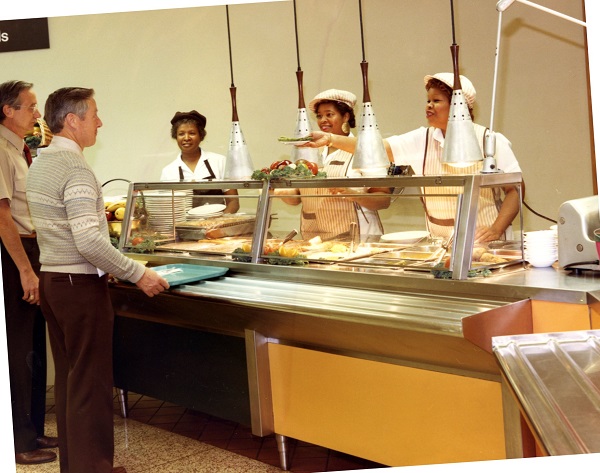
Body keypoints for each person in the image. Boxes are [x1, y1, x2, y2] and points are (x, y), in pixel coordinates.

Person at [26, 87, 170, 473]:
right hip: (79, 287)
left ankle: (78, 467)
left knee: (74, 382)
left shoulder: (40, 163)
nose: (100, 122)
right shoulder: (75, 169)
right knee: (90, 385)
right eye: (94, 115)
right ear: (72, 120)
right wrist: (138, 273)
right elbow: (89, 240)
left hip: (53, 281)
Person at [302, 74, 523, 242]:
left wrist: (495, 230)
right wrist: (330, 139)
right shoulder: (422, 138)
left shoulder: (489, 140)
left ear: (459, 105)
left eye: (436, 101)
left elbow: (516, 189)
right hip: (440, 242)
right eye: (428, 100)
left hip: (483, 242)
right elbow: (378, 149)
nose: (428, 106)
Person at [0, 80, 58, 465]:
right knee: (18, 349)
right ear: (8, 110)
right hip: (13, 252)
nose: (38, 114)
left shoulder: (19, 148)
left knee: (34, 345)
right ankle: (17, 441)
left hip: (30, 247)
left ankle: (33, 431)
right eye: (31, 106)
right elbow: (2, 217)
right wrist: (25, 269)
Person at [277, 89, 391, 241]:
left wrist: (352, 194)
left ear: (346, 116)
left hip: (357, 238)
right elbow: (297, 199)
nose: (323, 120)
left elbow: (384, 199)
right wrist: (278, 190)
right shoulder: (311, 153)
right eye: (319, 116)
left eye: (329, 114)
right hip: (314, 238)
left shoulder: (362, 149)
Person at [160, 110, 239, 214]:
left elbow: (233, 202)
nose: (186, 138)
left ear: (201, 136)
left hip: (217, 226)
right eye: (181, 134)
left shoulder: (220, 161)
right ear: (176, 137)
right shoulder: (168, 171)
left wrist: (219, 223)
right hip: (183, 228)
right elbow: (166, 209)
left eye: (192, 133)